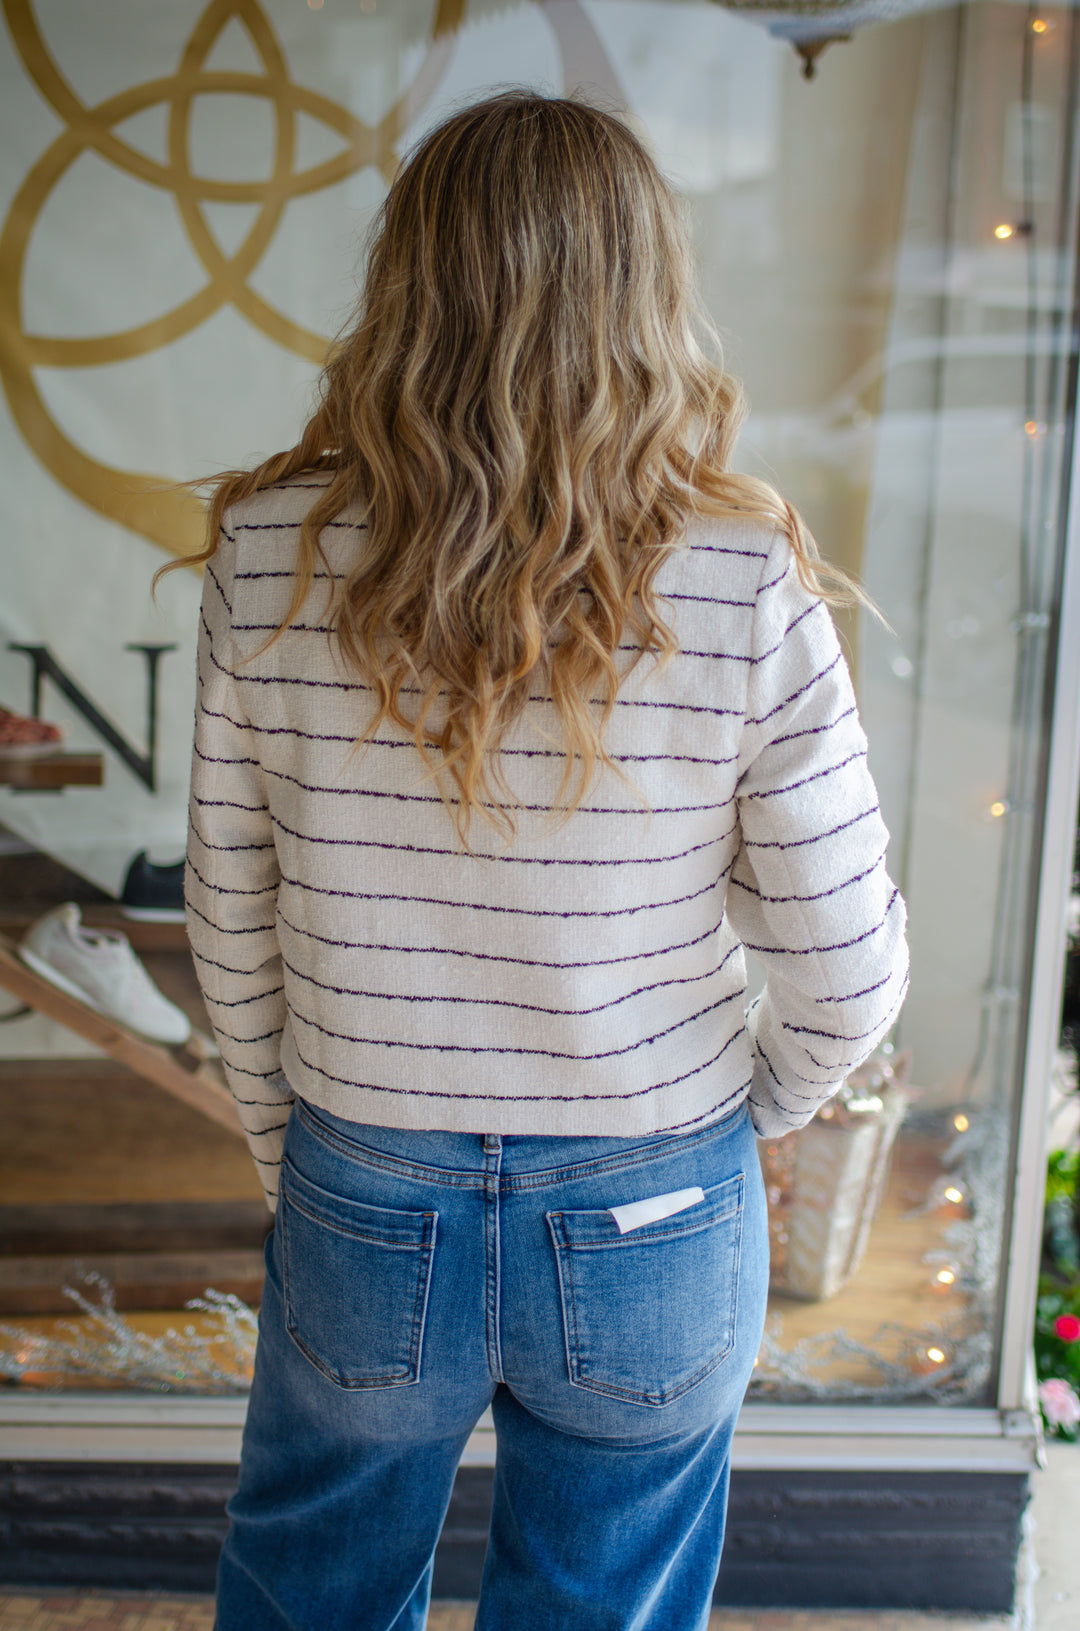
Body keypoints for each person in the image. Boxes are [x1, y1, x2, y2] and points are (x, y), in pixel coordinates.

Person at [178, 91, 908, 1631]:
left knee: (309, 1594)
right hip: (658, 1197)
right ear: (649, 296)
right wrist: (729, 1127)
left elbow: (231, 922)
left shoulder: (269, 549)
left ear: (402, 289)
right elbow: (848, 969)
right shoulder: (738, 566)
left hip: (364, 1172)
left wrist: (293, 1148)